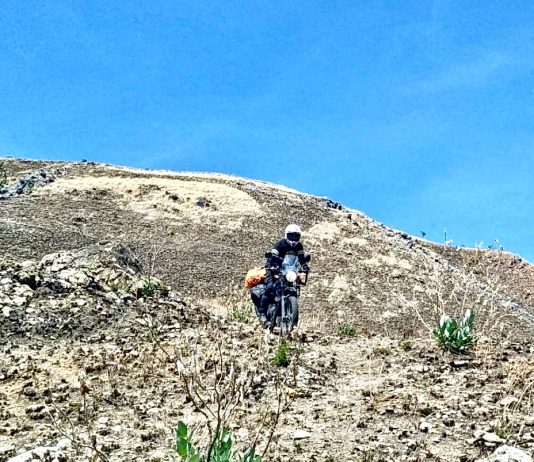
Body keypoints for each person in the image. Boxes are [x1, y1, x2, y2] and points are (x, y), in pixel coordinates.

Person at [258, 224, 310, 325]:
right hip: (274, 267)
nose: (293, 238)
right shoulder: (280, 244)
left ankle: (289, 312)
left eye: (296, 236)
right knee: (270, 287)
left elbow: (301, 258)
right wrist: (273, 264)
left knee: (293, 286)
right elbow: (273, 255)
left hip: (288, 271)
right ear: (286, 235)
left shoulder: (299, 246)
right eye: (291, 235)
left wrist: (304, 266)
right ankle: (262, 314)